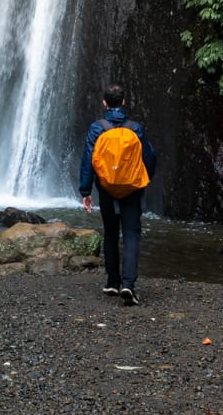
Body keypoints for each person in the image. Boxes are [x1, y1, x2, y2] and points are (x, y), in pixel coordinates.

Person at [79, 83, 156, 305]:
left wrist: (86, 190)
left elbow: (88, 161)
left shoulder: (97, 128)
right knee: (131, 234)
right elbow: (150, 156)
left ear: (105, 103)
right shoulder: (135, 128)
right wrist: (143, 179)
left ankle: (112, 281)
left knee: (111, 233)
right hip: (132, 188)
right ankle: (129, 285)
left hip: (106, 188)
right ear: (123, 102)